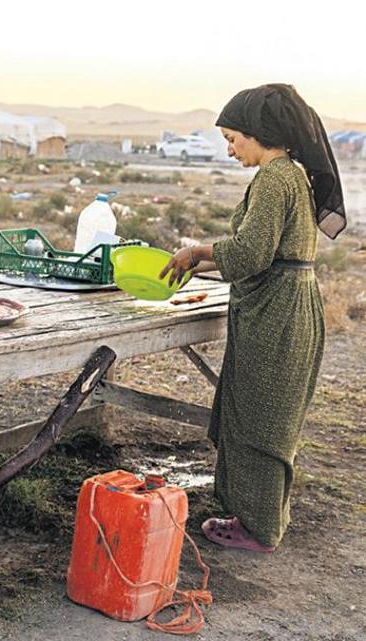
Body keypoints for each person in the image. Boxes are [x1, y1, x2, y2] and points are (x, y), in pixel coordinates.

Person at [160, 84, 346, 553]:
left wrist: (197, 250)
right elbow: (268, 255)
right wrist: (194, 264)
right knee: (265, 413)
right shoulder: (291, 176)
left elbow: (250, 253)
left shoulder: (274, 178)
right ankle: (256, 515)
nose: (229, 149)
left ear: (259, 133)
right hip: (286, 303)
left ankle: (258, 530)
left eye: (232, 138)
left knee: (261, 419)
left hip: (276, 313)